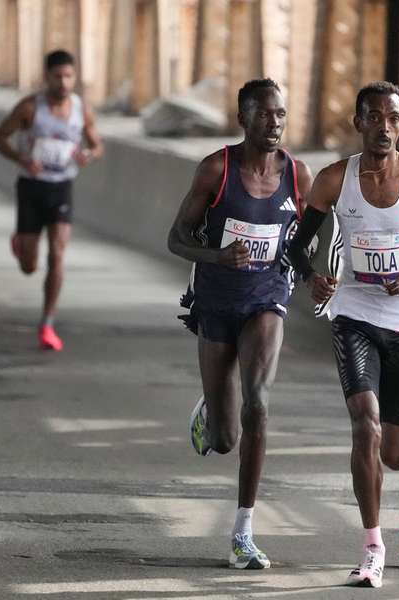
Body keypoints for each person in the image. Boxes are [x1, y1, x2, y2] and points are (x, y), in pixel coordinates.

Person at [285, 82, 399, 588]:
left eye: (393, 118)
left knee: (396, 454)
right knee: (364, 424)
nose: (385, 128)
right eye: (376, 118)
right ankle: (372, 546)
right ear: (359, 123)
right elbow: (296, 245)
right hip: (354, 316)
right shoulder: (332, 180)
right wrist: (312, 275)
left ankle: (391, 518)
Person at [167, 79, 312, 570]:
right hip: (215, 301)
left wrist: (314, 272)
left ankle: (242, 533)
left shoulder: (298, 176)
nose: (275, 123)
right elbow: (176, 238)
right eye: (266, 114)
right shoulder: (216, 169)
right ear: (244, 119)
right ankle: (211, 411)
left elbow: (309, 238)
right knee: (225, 438)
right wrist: (218, 256)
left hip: (267, 298)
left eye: (281, 115)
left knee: (259, 403)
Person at [0, 50, 103, 350]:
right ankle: (21, 245)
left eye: (69, 76)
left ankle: (47, 323)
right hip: (31, 186)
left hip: (61, 186)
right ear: (47, 77)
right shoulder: (30, 108)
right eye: (58, 76)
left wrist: (88, 155)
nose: (64, 82)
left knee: (57, 253)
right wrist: (22, 158)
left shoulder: (82, 110)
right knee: (29, 265)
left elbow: (97, 144)